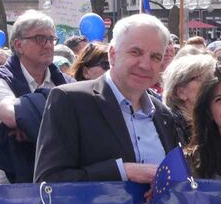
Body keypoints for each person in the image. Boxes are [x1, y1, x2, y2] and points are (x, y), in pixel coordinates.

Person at [33, 13, 180, 183]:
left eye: (155, 57)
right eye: (135, 52)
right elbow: (48, 181)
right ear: (112, 54)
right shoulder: (71, 101)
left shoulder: (163, 114)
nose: (145, 65)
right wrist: (123, 171)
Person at [0, 10, 73, 184]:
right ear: (18, 45)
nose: (48, 45)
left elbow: (83, 123)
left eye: (52, 39)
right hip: (11, 186)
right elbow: (14, 115)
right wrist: (64, 123)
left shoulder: (67, 83)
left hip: (58, 179)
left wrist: (30, 125)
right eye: (40, 38)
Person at [162, 53, 216, 144]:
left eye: (213, 77)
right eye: (204, 78)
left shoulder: (212, 123)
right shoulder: (169, 130)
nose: (212, 83)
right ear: (181, 92)